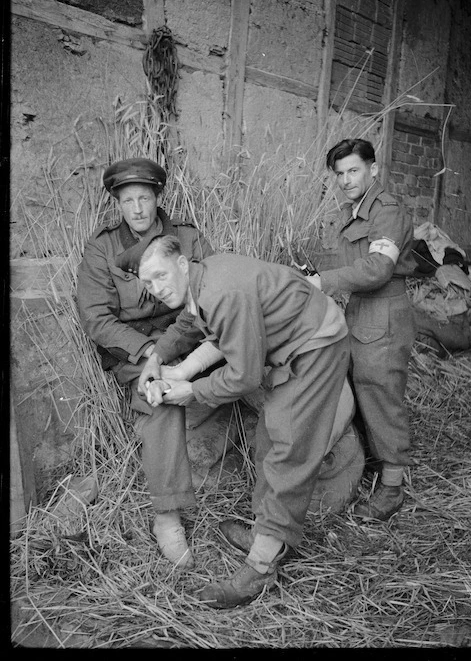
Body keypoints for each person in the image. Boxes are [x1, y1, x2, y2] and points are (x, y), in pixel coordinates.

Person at [135, 235, 350, 608]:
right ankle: (267, 533)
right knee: (269, 438)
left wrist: (191, 390)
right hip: (294, 346)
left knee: (289, 449)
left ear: (182, 264)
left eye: (160, 276)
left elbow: (244, 377)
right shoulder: (202, 281)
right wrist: (158, 357)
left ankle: (261, 568)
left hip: (317, 344)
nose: (156, 288)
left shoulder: (222, 293)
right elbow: (190, 322)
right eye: (148, 284)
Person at [76, 158, 214, 569]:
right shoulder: (102, 246)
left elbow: (210, 292)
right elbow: (97, 318)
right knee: (159, 394)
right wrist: (148, 355)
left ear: (158, 198)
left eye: (145, 198)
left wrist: (186, 348)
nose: (137, 209)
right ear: (117, 203)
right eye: (127, 200)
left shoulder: (186, 237)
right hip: (134, 348)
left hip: (188, 335)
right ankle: (167, 517)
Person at [309, 138, 417, 521]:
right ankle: (370, 466)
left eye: (353, 170)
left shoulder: (387, 210)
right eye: (339, 173)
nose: (345, 179)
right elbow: (341, 259)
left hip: (384, 310)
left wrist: (324, 282)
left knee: (380, 392)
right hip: (358, 310)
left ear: (373, 169)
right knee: (357, 387)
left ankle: (391, 487)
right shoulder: (350, 212)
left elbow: (378, 269)